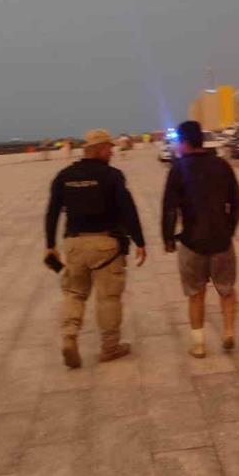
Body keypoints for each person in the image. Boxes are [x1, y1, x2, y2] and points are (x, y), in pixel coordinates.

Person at [45, 128, 147, 368]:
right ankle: (110, 347)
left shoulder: (64, 175)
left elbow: (51, 212)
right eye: (109, 148)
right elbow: (127, 210)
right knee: (108, 297)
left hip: (73, 245)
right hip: (105, 246)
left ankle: (70, 335)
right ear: (101, 149)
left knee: (74, 293)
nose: (112, 152)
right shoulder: (112, 176)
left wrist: (50, 245)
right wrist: (140, 241)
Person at [161, 120, 239, 359]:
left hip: (191, 242)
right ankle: (228, 331)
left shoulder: (178, 169)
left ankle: (198, 344)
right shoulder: (222, 165)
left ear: (185, 142)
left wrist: (168, 238)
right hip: (221, 241)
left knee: (195, 294)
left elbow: (169, 208)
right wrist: (229, 229)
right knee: (226, 290)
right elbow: (236, 202)